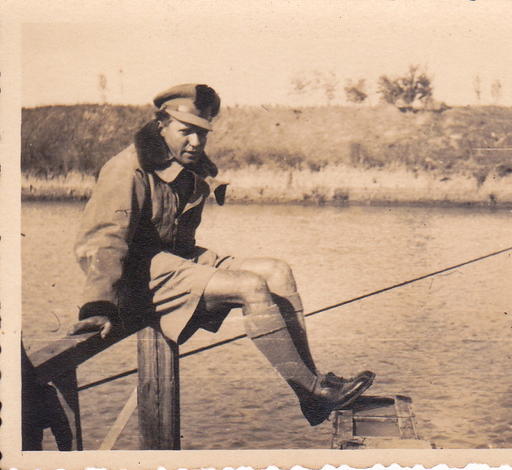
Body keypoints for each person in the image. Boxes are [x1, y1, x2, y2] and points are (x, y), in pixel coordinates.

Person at [68, 83, 375, 426]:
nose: (196, 142)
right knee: (250, 286)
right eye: (186, 131)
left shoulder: (185, 166)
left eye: (202, 133)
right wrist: (98, 304)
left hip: (173, 265)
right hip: (135, 279)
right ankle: (310, 390)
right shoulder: (128, 168)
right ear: (161, 126)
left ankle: (312, 388)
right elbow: (102, 240)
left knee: (276, 272)